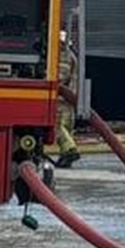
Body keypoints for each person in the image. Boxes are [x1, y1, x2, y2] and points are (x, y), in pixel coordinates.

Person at [54, 31, 81, 168]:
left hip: (61, 99)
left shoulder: (64, 55)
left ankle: (70, 150)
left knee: (57, 126)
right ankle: (66, 155)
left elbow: (60, 76)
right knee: (65, 128)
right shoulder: (69, 55)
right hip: (67, 99)